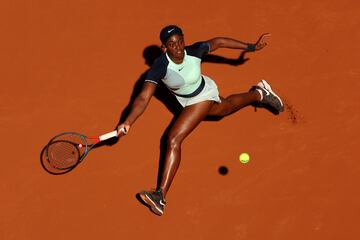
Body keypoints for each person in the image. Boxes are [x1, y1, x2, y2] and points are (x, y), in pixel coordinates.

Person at [117, 25, 284, 216]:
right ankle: (259, 94)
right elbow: (143, 97)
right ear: (164, 48)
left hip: (203, 94)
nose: (178, 47)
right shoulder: (159, 67)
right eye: (172, 44)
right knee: (225, 108)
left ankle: (160, 195)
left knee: (173, 139)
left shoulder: (193, 51)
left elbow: (219, 42)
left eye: (180, 41)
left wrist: (251, 47)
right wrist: (128, 121)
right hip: (187, 101)